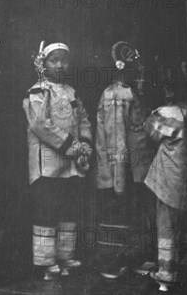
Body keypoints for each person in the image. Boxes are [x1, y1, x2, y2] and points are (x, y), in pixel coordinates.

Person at [22, 41, 93, 281]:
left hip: (70, 165)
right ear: (44, 64)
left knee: (68, 208)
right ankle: (46, 261)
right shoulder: (38, 92)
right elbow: (41, 125)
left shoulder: (72, 92)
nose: (60, 65)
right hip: (48, 165)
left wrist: (85, 144)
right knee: (47, 209)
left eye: (64, 60)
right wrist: (72, 147)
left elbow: (82, 118)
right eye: (55, 60)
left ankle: (65, 255)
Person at [94, 41, 154, 279]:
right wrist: (119, 179)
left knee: (134, 213)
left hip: (134, 170)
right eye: (135, 68)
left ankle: (134, 259)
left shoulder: (131, 92)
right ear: (121, 69)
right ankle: (113, 263)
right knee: (118, 214)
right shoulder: (115, 95)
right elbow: (116, 139)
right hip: (119, 170)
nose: (140, 72)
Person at [143, 80, 187, 291]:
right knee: (180, 224)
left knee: (166, 224)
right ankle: (177, 269)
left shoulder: (168, 112)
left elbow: (150, 132)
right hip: (184, 175)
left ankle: (165, 275)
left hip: (168, 177)